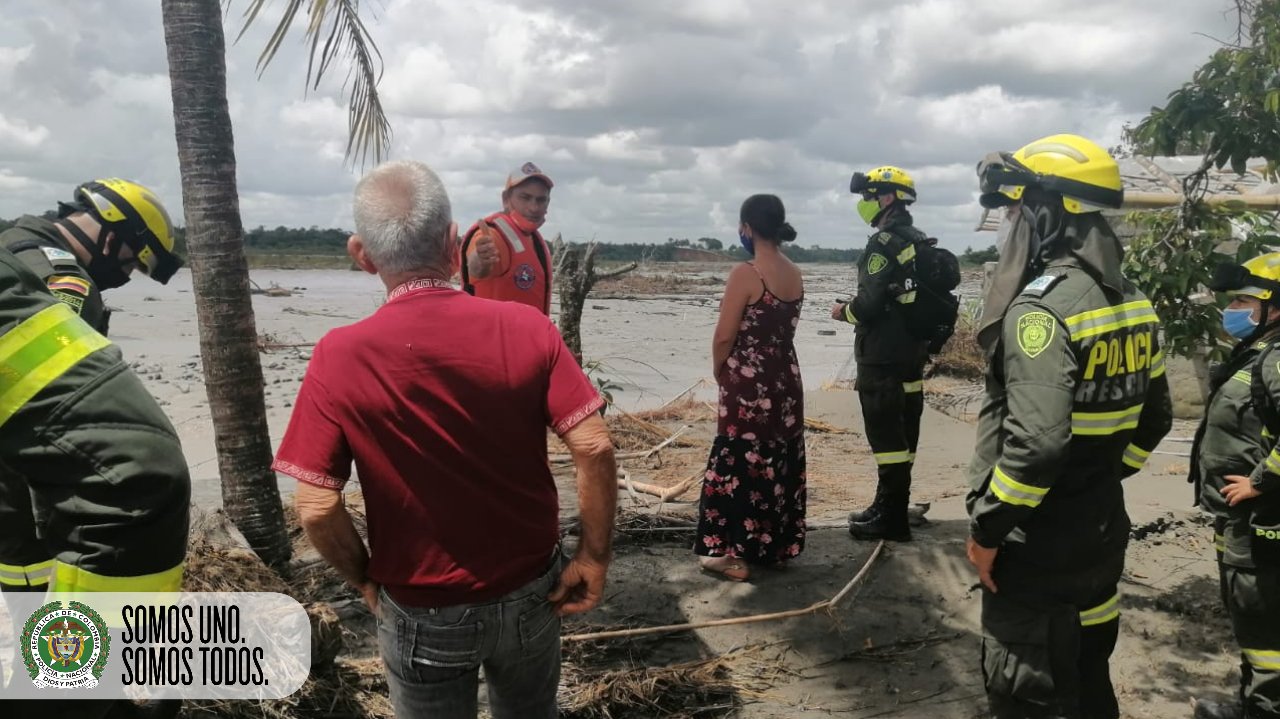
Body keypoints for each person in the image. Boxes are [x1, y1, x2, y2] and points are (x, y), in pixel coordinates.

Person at [273, 159, 617, 719]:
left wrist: (364, 579)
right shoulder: (526, 328)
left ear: (361, 255)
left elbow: (315, 506)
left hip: (420, 608)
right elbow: (595, 445)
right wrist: (593, 556)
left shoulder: (340, 354)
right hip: (532, 590)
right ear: (454, 241)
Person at [965, 133, 1172, 718]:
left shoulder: (1041, 311)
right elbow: (1155, 418)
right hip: (1100, 531)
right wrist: (1104, 475)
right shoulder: (1133, 301)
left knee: (1028, 692)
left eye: (1016, 209)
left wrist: (987, 531)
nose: (1010, 222)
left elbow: (1035, 446)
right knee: (1088, 674)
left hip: (1037, 546)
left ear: (1048, 211)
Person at [0, 185, 190, 715]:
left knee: (28, 602)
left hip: (14, 490)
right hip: (38, 495)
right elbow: (69, 418)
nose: (128, 273)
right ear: (114, 231)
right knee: (62, 631)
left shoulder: (15, 244)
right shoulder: (65, 283)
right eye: (134, 259)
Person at [694, 194, 806, 582]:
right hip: (785, 379)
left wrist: (719, 369)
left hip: (748, 382)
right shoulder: (794, 272)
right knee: (778, 459)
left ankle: (727, 553)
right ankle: (772, 547)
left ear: (746, 228)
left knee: (738, 460)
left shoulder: (747, 273)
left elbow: (725, 335)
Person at [1191, 253, 1280, 719]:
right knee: (1252, 622)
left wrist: (1260, 483)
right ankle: (1253, 704)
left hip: (1264, 523)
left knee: (1266, 631)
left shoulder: (1278, 360)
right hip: (1240, 519)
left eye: (1245, 299)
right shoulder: (1258, 352)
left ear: (1275, 307)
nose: (1234, 309)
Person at [829, 165, 930, 541]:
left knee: (887, 440)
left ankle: (892, 520)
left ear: (887, 198)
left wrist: (844, 313)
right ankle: (889, 504)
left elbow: (868, 305)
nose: (864, 204)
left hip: (882, 356)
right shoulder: (918, 240)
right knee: (905, 432)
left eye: (868, 197)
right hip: (912, 353)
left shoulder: (884, 244)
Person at [0, 178, 184, 335]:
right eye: (129, 266)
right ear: (110, 241)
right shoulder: (68, 294)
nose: (125, 277)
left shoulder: (11, 241)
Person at [460, 161, 554, 314]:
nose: (534, 207)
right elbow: (476, 269)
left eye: (541, 200)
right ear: (506, 199)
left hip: (528, 335)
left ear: (548, 203)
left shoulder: (534, 240)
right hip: (491, 336)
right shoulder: (493, 234)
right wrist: (481, 258)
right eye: (525, 198)